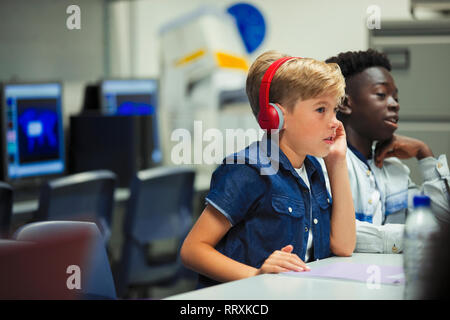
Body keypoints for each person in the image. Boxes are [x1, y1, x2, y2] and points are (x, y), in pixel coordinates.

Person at [180, 50, 356, 288]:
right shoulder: (247, 170)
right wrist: (256, 275)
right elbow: (193, 250)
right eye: (321, 109)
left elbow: (344, 247)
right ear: (277, 117)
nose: (335, 121)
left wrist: (337, 162)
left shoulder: (312, 167)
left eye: (334, 110)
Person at [325, 49, 450, 254]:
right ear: (345, 103)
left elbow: (443, 221)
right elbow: (333, 232)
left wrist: (424, 153)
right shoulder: (326, 162)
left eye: (395, 97)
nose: (395, 105)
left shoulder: (395, 169)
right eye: (382, 95)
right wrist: (416, 235)